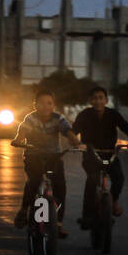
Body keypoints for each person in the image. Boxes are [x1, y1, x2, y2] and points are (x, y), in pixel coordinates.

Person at [12, 89, 81, 235]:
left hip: (53, 157)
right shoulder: (30, 118)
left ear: (53, 105)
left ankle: (58, 223)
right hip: (33, 156)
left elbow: (67, 131)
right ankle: (24, 210)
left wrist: (75, 141)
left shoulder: (58, 119)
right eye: (42, 103)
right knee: (34, 181)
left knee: (60, 188)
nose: (45, 106)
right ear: (35, 105)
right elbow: (23, 131)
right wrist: (18, 140)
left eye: (49, 103)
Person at [72, 85, 128, 229]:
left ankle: (114, 201)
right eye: (95, 98)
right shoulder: (84, 114)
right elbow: (73, 131)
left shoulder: (113, 114)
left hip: (110, 153)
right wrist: (75, 142)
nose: (98, 101)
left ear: (106, 100)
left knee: (119, 178)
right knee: (92, 179)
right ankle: (87, 216)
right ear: (90, 101)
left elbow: (126, 127)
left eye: (100, 98)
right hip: (91, 154)